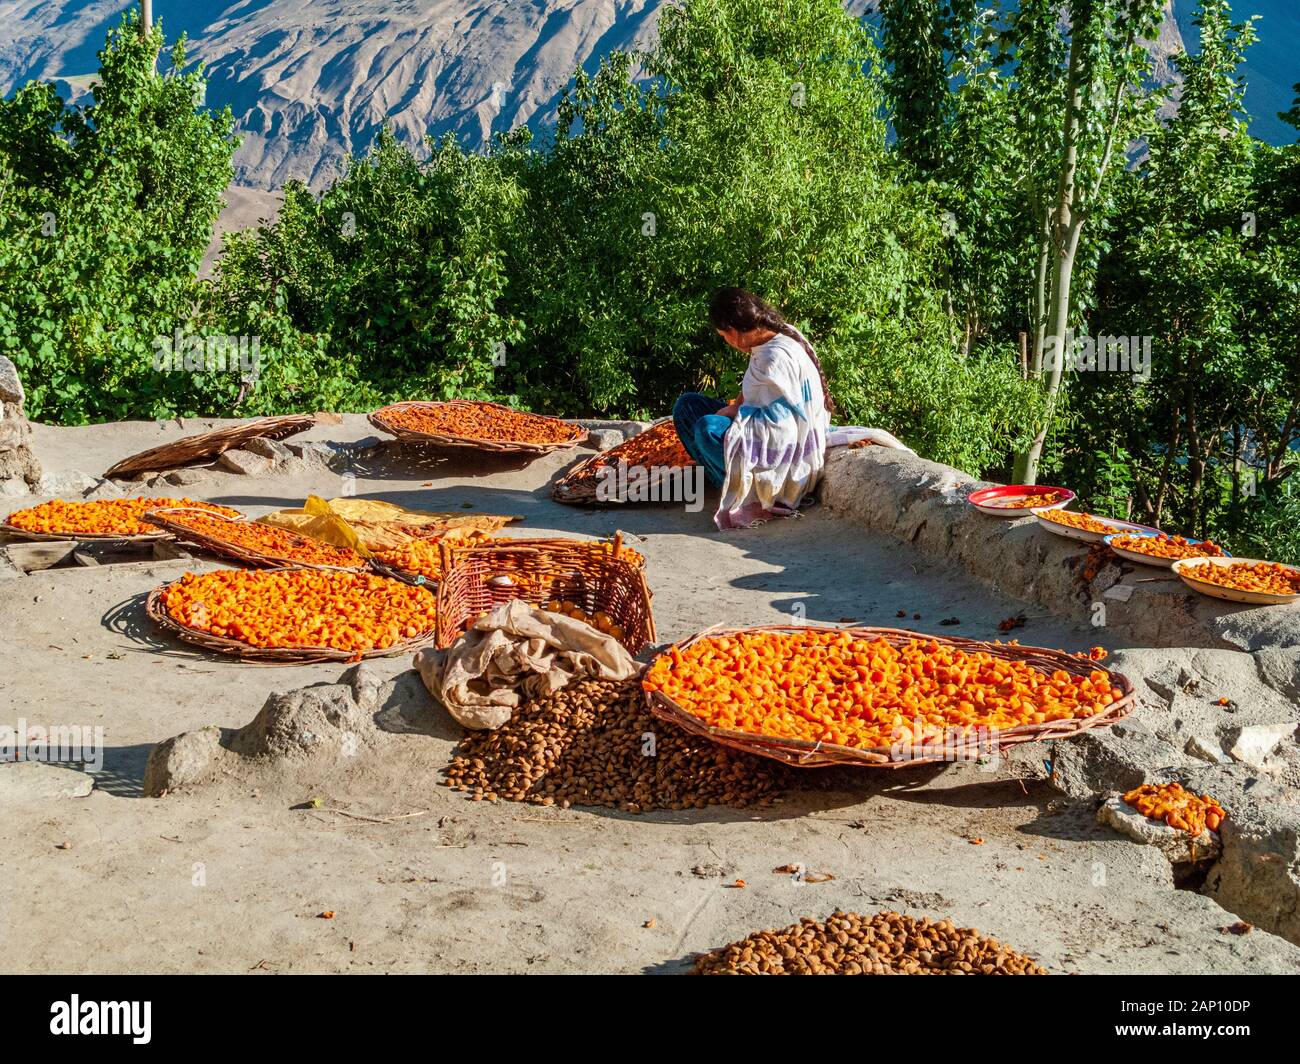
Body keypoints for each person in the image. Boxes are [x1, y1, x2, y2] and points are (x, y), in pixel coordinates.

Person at [673, 288, 834, 529]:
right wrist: (736, 407)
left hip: (783, 450)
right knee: (687, 405)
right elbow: (754, 390)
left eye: (724, 336)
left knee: (707, 429)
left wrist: (737, 415)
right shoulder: (773, 336)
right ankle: (728, 479)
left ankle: (746, 495)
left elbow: (782, 429)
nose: (726, 342)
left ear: (735, 331)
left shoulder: (774, 357)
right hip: (759, 420)